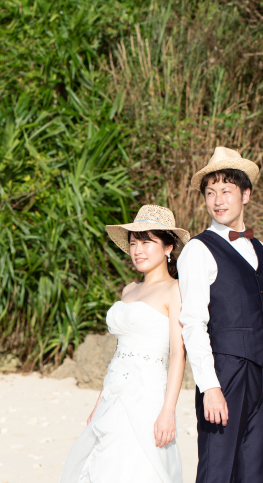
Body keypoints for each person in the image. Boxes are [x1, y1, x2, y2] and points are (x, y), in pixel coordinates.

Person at [177, 147, 263, 483]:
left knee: (254, 473)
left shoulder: (261, 249)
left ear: (246, 195)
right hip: (225, 373)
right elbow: (192, 323)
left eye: (226, 191)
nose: (217, 200)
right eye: (210, 193)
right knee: (217, 470)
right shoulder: (198, 250)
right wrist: (209, 386)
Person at [59, 205, 189, 483]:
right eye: (133, 243)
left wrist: (168, 411)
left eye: (146, 242)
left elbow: (179, 354)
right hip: (114, 393)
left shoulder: (175, 290)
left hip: (148, 395)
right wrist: (100, 400)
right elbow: (120, 353)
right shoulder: (129, 290)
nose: (138, 250)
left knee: (140, 466)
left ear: (168, 247)